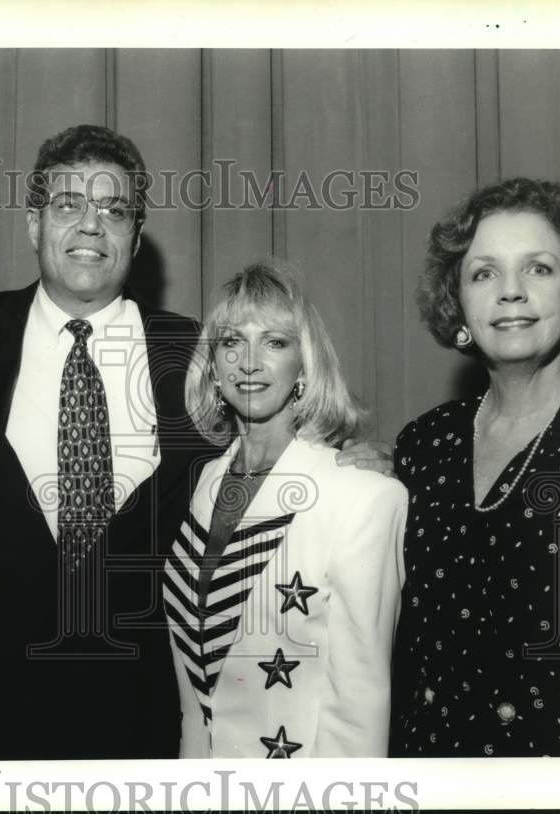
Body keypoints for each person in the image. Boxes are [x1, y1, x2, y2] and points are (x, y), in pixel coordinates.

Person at [0, 124, 389, 759]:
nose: (91, 227)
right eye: (69, 205)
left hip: (147, 722)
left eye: (114, 210)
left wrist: (348, 455)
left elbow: (266, 456)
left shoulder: (196, 352)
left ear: (135, 233)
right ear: (33, 223)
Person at [389, 178, 560, 757]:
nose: (511, 292)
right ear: (457, 305)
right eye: (484, 273)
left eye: (538, 269)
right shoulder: (423, 445)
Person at [165, 260, 407, 758]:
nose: (248, 362)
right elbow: (197, 693)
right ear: (212, 365)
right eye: (232, 341)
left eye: (274, 342)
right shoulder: (207, 483)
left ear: (305, 364)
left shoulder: (362, 495)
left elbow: (360, 704)